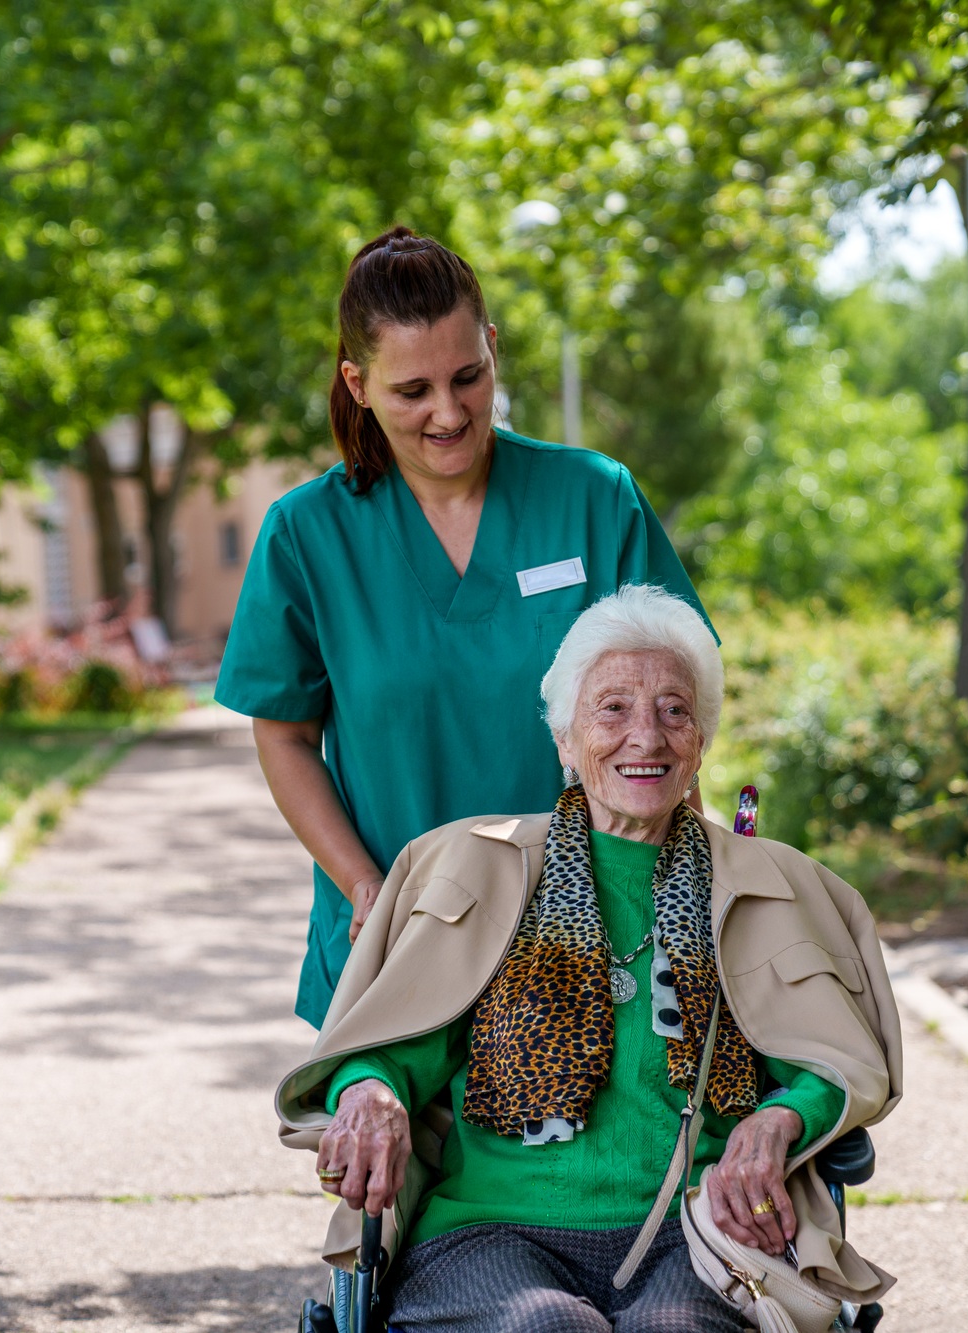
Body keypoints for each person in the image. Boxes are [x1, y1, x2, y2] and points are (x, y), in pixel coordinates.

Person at [275, 586, 900, 1333]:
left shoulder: (769, 882)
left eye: (675, 709)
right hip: (490, 1228)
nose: (647, 735)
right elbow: (388, 1047)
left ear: (701, 740)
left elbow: (836, 1061)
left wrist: (779, 1119)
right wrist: (369, 1092)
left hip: (699, 1230)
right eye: (613, 709)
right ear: (565, 739)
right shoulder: (476, 867)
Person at [215, 227, 710, 1029]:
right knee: (388, 1153)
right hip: (399, 947)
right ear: (359, 382)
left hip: (593, 950)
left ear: (491, 348)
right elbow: (284, 738)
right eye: (412, 391)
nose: (448, 412)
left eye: (468, 377)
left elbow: (677, 706)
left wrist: (681, 895)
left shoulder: (592, 498)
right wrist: (362, 886)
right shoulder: (306, 535)